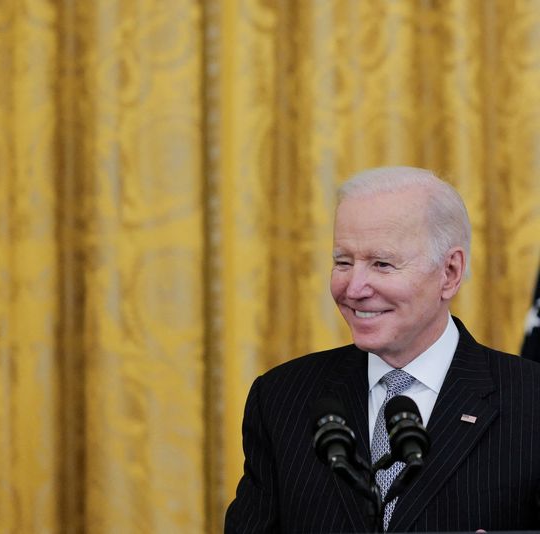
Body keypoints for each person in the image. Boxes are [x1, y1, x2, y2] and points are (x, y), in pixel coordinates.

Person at [224, 166, 540, 533]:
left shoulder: (531, 401)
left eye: (382, 264)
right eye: (343, 262)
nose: (354, 287)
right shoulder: (281, 398)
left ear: (450, 273)